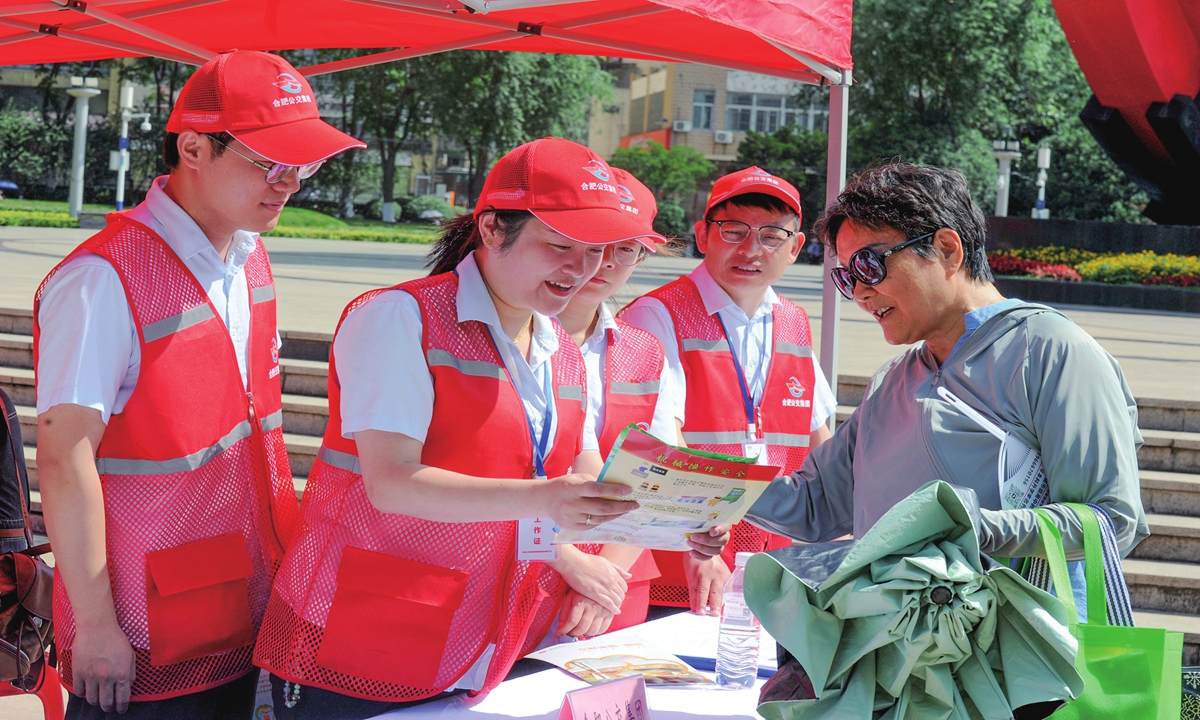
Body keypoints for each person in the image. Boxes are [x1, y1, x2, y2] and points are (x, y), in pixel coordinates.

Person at [253, 138, 729, 719]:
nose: (581, 270)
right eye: (559, 246)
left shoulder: (557, 345)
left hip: (495, 636)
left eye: (598, 251)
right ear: (492, 230)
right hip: (364, 641)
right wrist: (549, 500)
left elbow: (583, 477)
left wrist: (678, 520)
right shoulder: (399, 317)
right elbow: (392, 482)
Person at [33, 50, 364, 719]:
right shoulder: (103, 279)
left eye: (303, 165)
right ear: (192, 147)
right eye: (270, 162)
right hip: (140, 635)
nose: (290, 183)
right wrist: (96, 625)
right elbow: (65, 460)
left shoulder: (248, 258)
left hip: (240, 609)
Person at [745, 162, 1147, 592]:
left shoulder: (1052, 350)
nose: (859, 292)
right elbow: (813, 503)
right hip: (902, 648)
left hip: (1016, 647)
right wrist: (699, 484)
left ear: (947, 250)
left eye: (868, 265)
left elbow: (1110, 520)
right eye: (846, 276)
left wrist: (966, 526)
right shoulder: (892, 382)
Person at [622, 167, 836, 616]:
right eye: (734, 231)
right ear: (702, 235)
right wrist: (698, 548)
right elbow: (659, 446)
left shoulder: (794, 322)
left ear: (796, 247)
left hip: (772, 571)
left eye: (772, 236)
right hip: (685, 570)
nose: (751, 249)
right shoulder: (655, 316)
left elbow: (821, 444)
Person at [555, 168, 677, 633]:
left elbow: (663, 472)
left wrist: (604, 573)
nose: (601, 262)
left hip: (616, 582)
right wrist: (568, 562)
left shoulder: (644, 350)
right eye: (591, 240)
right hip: (519, 565)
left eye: (625, 249)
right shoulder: (509, 338)